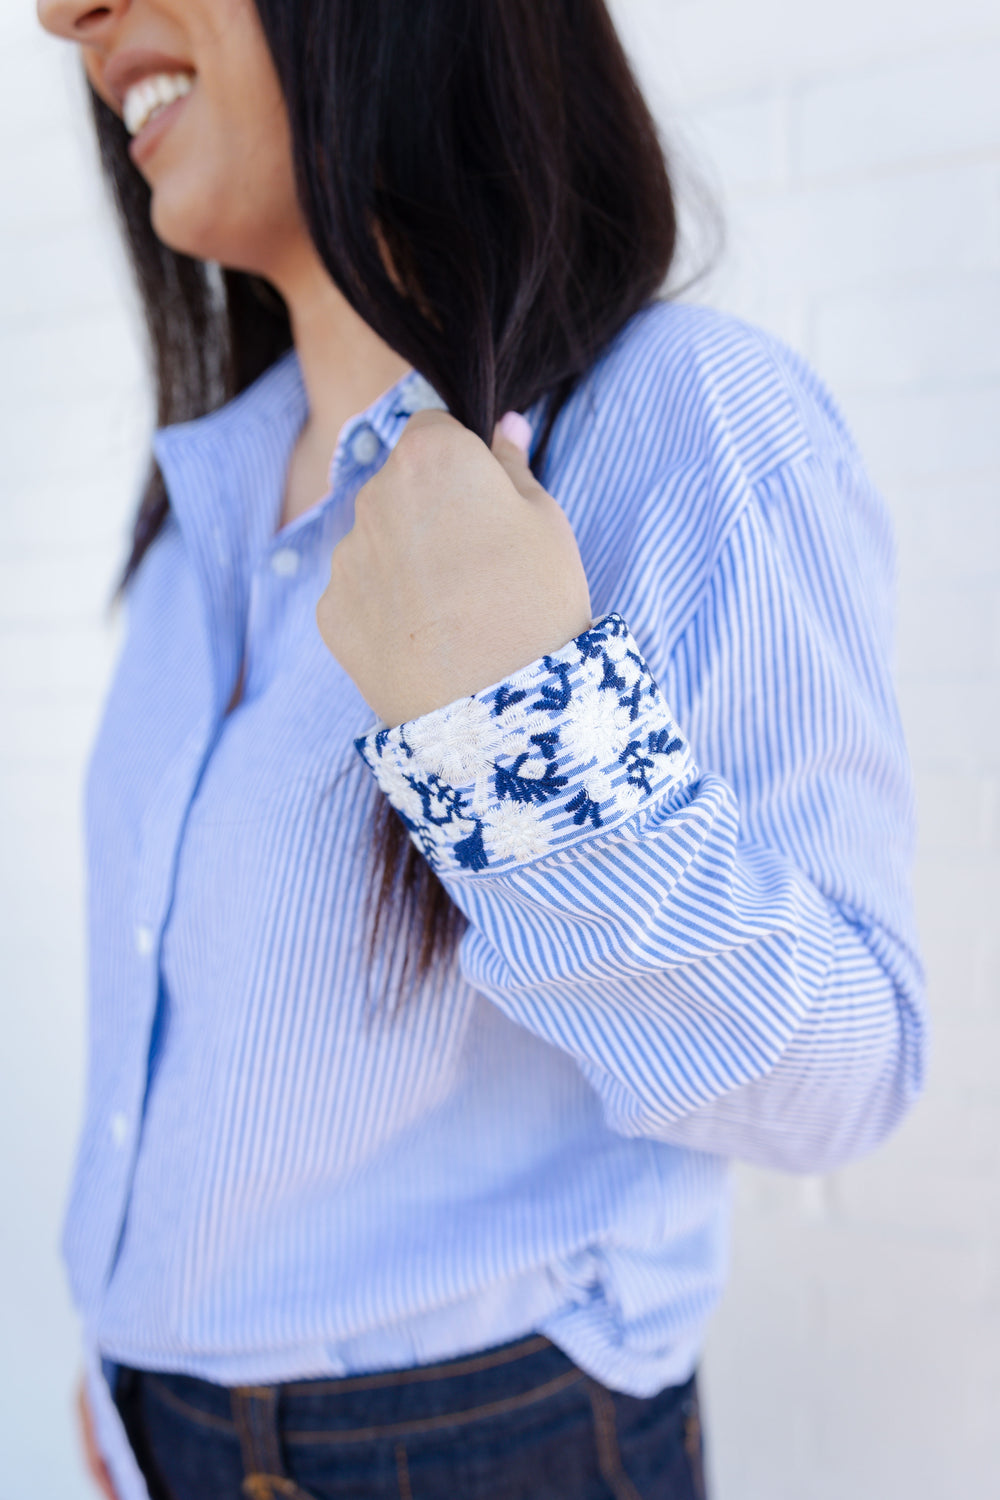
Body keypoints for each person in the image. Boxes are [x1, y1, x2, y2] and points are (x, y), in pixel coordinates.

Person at [36, 1, 927, 1497]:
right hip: (162, 1432)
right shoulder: (206, 501)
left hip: (476, 1451)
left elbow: (845, 1081)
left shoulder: (675, 419)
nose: (65, 13)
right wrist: (140, 1360)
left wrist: (518, 727)